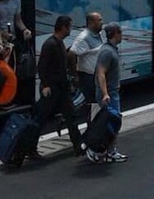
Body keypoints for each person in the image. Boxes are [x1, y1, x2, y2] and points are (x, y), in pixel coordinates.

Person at [33, 15, 83, 158]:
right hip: (52, 89)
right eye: (69, 27)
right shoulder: (50, 44)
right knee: (41, 118)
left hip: (62, 88)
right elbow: (42, 67)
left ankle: (78, 145)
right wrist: (45, 85)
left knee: (71, 116)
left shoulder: (59, 43)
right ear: (63, 27)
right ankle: (29, 147)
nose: (70, 30)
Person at [92, 22, 127, 163]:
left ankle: (108, 151)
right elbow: (101, 73)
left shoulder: (111, 49)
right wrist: (105, 93)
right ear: (114, 34)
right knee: (112, 123)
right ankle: (104, 151)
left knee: (111, 123)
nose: (122, 35)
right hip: (109, 94)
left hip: (112, 92)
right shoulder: (107, 52)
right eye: (120, 32)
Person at [69, 12, 104, 105]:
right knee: (93, 103)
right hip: (88, 77)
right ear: (91, 23)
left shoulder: (99, 34)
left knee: (100, 101)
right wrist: (74, 75)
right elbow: (71, 54)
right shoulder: (83, 38)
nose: (102, 22)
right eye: (99, 20)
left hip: (98, 75)